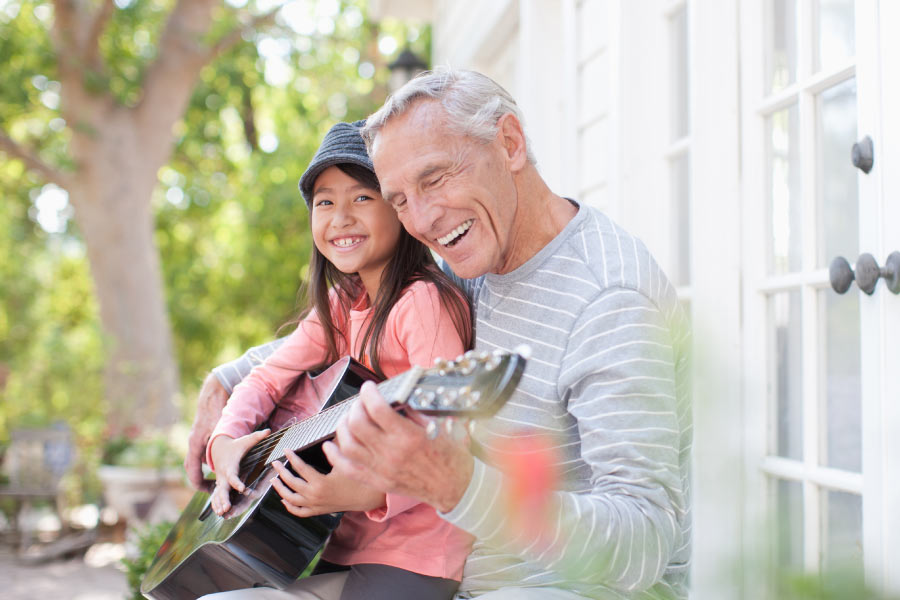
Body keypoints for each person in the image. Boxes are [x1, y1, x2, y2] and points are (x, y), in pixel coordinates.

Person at [188, 69, 692, 599]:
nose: (423, 221)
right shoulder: (471, 261)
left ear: (510, 144)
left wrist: (460, 487)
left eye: (434, 178)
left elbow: (646, 540)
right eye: (399, 199)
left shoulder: (607, 298)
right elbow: (357, 328)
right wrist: (227, 382)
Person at [199, 120, 475, 600]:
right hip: (345, 540)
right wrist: (224, 442)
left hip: (417, 552)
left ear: (400, 209)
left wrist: (365, 494)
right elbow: (265, 380)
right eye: (325, 202)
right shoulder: (342, 305)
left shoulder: (422, 303)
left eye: (362, 198)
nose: (341, 217)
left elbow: (446, 431)